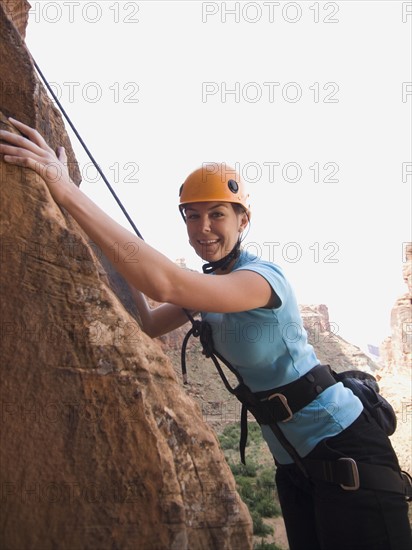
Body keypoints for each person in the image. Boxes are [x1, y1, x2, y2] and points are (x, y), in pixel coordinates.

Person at [0, 118, 411, 550]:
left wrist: (66, 189)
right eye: (192, 216)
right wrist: (85, 228)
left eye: (217, 214)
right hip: (294, 464)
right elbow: (149, 321)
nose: (203, 228)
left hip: (346, 450)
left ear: (243, 219)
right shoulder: (214, 285)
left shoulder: (260, 280)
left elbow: (166, 284)